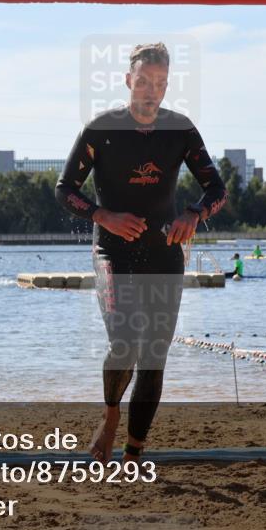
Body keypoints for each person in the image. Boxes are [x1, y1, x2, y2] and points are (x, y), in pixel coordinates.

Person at [55, 42, 228, 464]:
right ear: (129, 80)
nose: (152, 91)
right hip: (114, 251)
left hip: (164, 254)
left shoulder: (180, 130)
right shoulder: (101, 129)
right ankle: (111, 416)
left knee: (154, 354)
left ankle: (134, 451)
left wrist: (193, 214)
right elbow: (64, 190)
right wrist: (104, 216)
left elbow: (216, 188)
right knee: (124, 344)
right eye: (145, 81)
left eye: (161, 83)